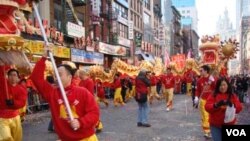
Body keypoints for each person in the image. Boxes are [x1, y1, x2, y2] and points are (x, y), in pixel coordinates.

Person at [30, 47, 100, 141]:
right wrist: (43, 57)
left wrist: (80, 122)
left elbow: (94, 113)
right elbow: (36, 78)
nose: (56, 78)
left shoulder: (82, 92)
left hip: (85, 138)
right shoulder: (52, 93)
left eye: (59, 74)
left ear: (69, 77)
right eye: (55, 75)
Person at [0, 63, 27, 141]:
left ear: (18, 77)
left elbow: (22, 102)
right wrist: (4, 64)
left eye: (14, 75)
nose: (12, 77)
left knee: (17, 138)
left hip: (15, 117)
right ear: (7, 77)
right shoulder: (3, 84)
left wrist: (14, 103)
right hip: (2, 118)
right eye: (10, 75)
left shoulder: (21, 89)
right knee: (5, 138)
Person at [194, 65, 216, 138]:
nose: (200, 72)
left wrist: (213, 81)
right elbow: (198, 90)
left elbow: (216, 88)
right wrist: (196, 97)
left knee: (211, 116)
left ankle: (212, 129)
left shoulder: (212, 79)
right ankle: (207, 131)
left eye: (201, 70)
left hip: (211, 100)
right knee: (204, 116)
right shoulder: (199, 80)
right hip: (203, 100)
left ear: (206, 71)